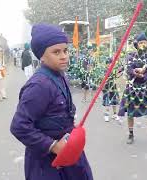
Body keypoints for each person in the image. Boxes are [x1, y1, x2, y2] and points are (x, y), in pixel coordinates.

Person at [10, 24, 93, 180]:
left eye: (65, 51)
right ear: (42, 56)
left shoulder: (60, 75)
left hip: (69, 156)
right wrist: (53, 145)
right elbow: (19, 126)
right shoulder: (39, 85)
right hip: (47, 165)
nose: (64, 56)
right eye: (56, 52)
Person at [118, 32, 147, 149]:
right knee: (130, 113)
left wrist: (144, 76)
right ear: (136, 44)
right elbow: (128, 68)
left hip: (144, 89)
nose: (143, 44)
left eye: (144, 42)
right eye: (140, 42)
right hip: (131, 89)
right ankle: (131, 134)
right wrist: (134, 72)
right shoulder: (130, 56)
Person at [102, 57, 122, 122]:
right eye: (108, 63)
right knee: (107, 102)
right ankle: (106, 116)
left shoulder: (114, 70)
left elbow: (120, 71)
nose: (109, 65)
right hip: (106, 88)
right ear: (106, 64)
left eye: (111, 63)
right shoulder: (105, 70)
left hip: (113, 87)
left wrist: (121, 68)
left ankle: (115, 114)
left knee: (114, 102)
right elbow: (104, 79)